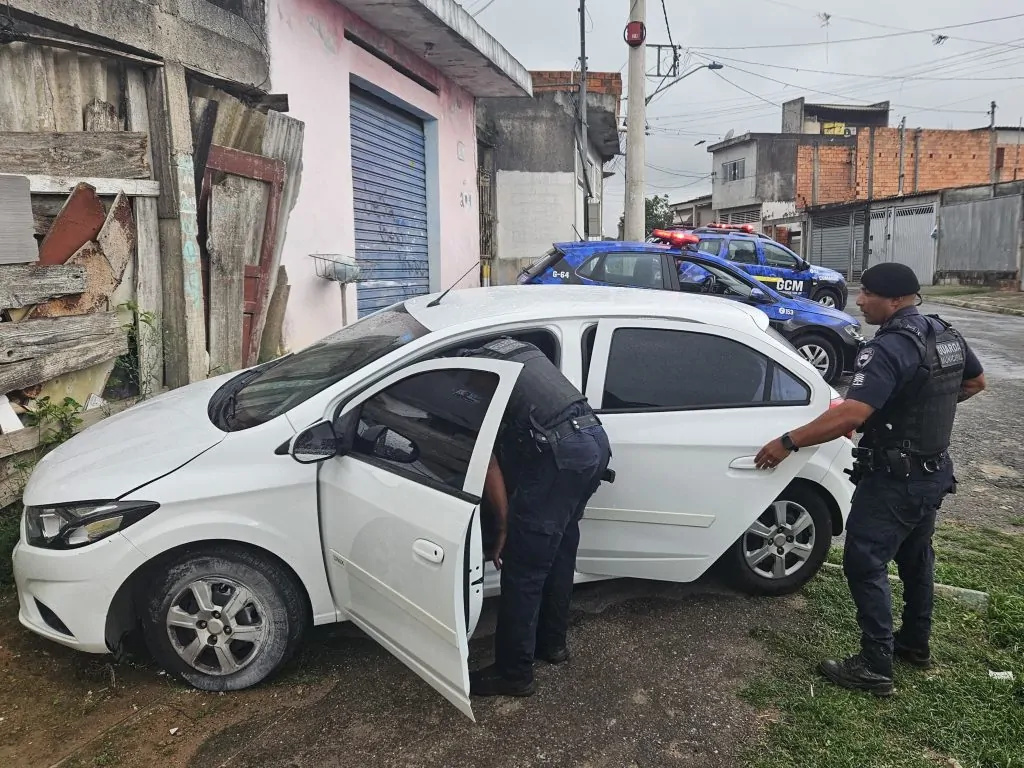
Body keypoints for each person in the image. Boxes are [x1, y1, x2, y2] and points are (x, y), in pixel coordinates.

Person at [754, 262, 985, 696]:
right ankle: (915, 644)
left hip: (895, 479)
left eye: (869, 295)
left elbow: (855, 414)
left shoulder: (890, 347)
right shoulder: (945, 334)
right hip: (932, 471)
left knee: (864, 561)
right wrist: (919, 410)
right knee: (916, 559)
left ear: (896, 300)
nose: (859, 301)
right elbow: (975, 381)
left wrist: (788, 441)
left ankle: (876, 665)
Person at [456, 336, 612, 697]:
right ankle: (551, 644)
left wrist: (505, 526)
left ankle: (513, 673)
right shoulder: (516, 346)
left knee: (523, 567)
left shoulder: (475, 373)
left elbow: (487, 461)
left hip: (560, 455)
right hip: (594, 441)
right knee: (559, 546)